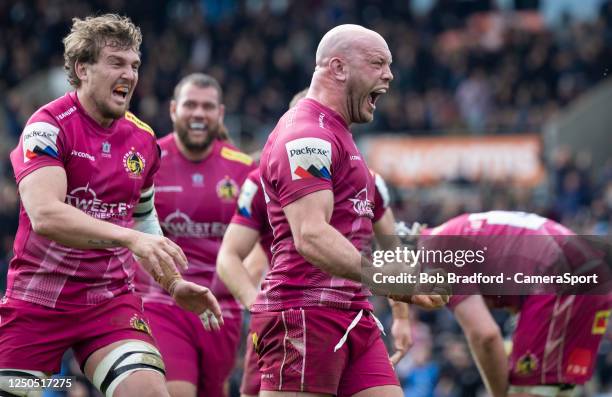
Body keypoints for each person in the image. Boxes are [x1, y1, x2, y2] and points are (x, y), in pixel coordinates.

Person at [0, 14, 222, 397]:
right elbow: (45, 215)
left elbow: (143, 218)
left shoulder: (142, 140)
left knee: (151, 392)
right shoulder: (47, 127)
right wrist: (131, 239)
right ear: (82, 69)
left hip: (109, 302)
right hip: (39, 299)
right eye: (116, 63)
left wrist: (172, 282)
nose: (130, 74)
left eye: (134, 65)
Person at [252, 24, 447, 397]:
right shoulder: (306, 136)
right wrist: (391, 279)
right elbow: (311, 235)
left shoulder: (341, 136)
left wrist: (406, 291)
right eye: (378, 63)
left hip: (354, 313)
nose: (389, 74)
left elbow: (385, 237)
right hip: (305, 314)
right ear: (338, 68)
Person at [133, 73, 256, 397]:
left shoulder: (243, 169)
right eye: (190, 105)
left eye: (207, 106)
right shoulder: (147, 158)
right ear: (174, 109)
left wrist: (251, 295)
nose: (198, 113)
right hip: (161, 301)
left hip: (222, 312)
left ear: (221, 114)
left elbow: (262, 242)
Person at [418, 211, 612, 397]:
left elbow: (485, 336)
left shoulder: (437, 255)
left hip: (563, 279)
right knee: (553, 390)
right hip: (592, 276)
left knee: (523, 391)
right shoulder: (450, 232)